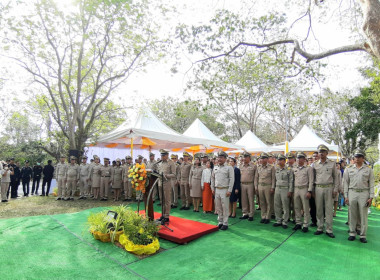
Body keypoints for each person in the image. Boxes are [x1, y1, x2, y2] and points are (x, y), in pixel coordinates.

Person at [343, 150, 374, 243]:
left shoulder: (368, 169)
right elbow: (345, 183)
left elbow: (371, 184)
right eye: (355, 157)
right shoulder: (348, 169)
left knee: (363, 215)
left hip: (364, 193)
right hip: (352, 192)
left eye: (359, 157)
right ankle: (352, 233)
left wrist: (371, 197)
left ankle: (362, 235)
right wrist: (346, 196)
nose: (357, 158)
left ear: (363, 158)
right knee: (352, 214)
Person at [313, 144, 340, 238]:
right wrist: (312, 190)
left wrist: (335, 189)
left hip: (329, 188)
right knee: (319, 209)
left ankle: (329, 229)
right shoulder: (315, 164)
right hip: (318, 188)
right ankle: (319, 228)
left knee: (328, 210)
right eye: (320, 152)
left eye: (323, 152)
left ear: (327, 153)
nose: (321, 154)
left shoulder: (332, 163)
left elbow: (336, 178)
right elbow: (313, 178)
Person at [211, 151, 234, 230]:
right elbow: (213, 178)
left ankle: (225, 223)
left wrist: (229, 190)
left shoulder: (229, 167)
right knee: (218, 207)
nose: (219, 159)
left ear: (225, 158)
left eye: (221, 157)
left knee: (225, 207)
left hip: (225, 189)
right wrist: (212, 188)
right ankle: (220, 221)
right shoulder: (215, 167)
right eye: (218, 157)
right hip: (217, 189)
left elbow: (232, 179)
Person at [293, 152, 313, 232]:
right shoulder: (295, 168)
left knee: (305, 208)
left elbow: (311, 180)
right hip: (296, 189)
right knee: (297, 207)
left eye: (300, 158)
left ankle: (305, 224)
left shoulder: (308, 168)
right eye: (297, 158)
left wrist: (309, 191)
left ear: (304, 159)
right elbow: (293, 180)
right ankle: (298, 222)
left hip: (304, 189)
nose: (298, 159)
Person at [272, 154, 294, 229]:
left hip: (285, 189)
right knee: (277, 205)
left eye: (281, 160)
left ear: (284, 161)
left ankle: (285, 221)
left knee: (285, 206)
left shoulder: (288, 169)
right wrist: (273, 188)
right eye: (278, 160)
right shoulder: (276, 168)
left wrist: (290, 191)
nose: (279, 161)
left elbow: (291, 181)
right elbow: (274, 179)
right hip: (277, 188)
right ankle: (278, 220)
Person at [254, 153, 276, 224]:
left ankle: (268, 217)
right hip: (260, 186)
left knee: (269, 202)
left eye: (263, 158)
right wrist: (256, 187)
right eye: (261, 158)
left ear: (267, 159)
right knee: (262, 202)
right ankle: (263, 216)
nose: (262, 160)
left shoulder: (271, 167)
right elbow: (256, 178)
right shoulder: (258, 167)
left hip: (268, 186)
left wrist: (272, 187)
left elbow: (273, 179)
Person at [156, 149, 176, 223]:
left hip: (167, 183)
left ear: (167, 155)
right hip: (160, 183)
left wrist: (166, 175)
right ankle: (162, 215)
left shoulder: (171, 163)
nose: (162, 157)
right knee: (162, 200)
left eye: (163, 155)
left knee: (167, 200)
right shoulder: (160, 163)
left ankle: (167, 216)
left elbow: (174, 174)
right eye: (161, 155)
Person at [239, 152, 255, 221]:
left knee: (251, 200)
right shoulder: (241, 166)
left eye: (246, 157)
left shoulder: (254, 166)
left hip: (250, 184)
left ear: (249, 158)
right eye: (243, 157)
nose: (244, 158)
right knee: (244, 199)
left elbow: (256, 177)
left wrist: (255, 186)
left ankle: (251, 214)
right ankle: (245, 213)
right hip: (242, 184)